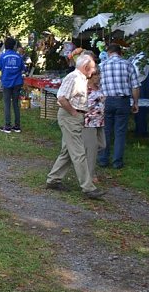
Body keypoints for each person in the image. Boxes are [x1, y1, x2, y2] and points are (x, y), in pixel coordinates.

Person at [45, 53, 105, 200]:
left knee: (67, 151)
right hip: (70, 116)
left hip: (74, 116)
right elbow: (61, 98)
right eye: (92, 69)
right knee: (78, 152)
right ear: (85, 67)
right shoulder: (74, 78)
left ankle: (53, 179)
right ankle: (88, 187)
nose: (93, 73)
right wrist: (73, 113)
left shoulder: (80, 78)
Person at [97, 44, 140, 169]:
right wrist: (135, 103)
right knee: (120, 132)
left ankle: (103, 159)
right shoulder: (128, 64)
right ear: (120, 52)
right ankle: (117, 162)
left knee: (105, 131)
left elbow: (96, 84)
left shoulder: (102, 66)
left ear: (108, 52)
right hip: (123, 101)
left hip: (106, 101)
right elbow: (135, 86)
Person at [0, 37, 25, 133]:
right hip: (17, 82)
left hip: (7, 82)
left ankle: (7, 126)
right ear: (14, 46)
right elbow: (23, 69)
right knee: (16, 104)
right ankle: (17, 126)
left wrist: (0, 79)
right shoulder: (18, 56)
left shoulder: (3, 56)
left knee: (7, 104)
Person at [83, 70, 106, 183]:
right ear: (90, 76)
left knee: (102, 145)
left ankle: (82, 160)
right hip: (89, 122)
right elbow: (84, 105)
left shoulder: (99, 87)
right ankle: (90, 175)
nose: (99, 77)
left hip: (100, 121)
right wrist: (97, 100)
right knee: (92, 149)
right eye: (96, 75)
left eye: (99, 74)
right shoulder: (85, 88)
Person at [130, 51, 149, 137]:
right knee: (137, 108)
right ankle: (138, 128)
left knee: (141, 108)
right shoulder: (135, 57)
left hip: (141, 85)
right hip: (138, 84)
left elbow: (138, 73)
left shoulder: (142, 58)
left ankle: (142, 131)